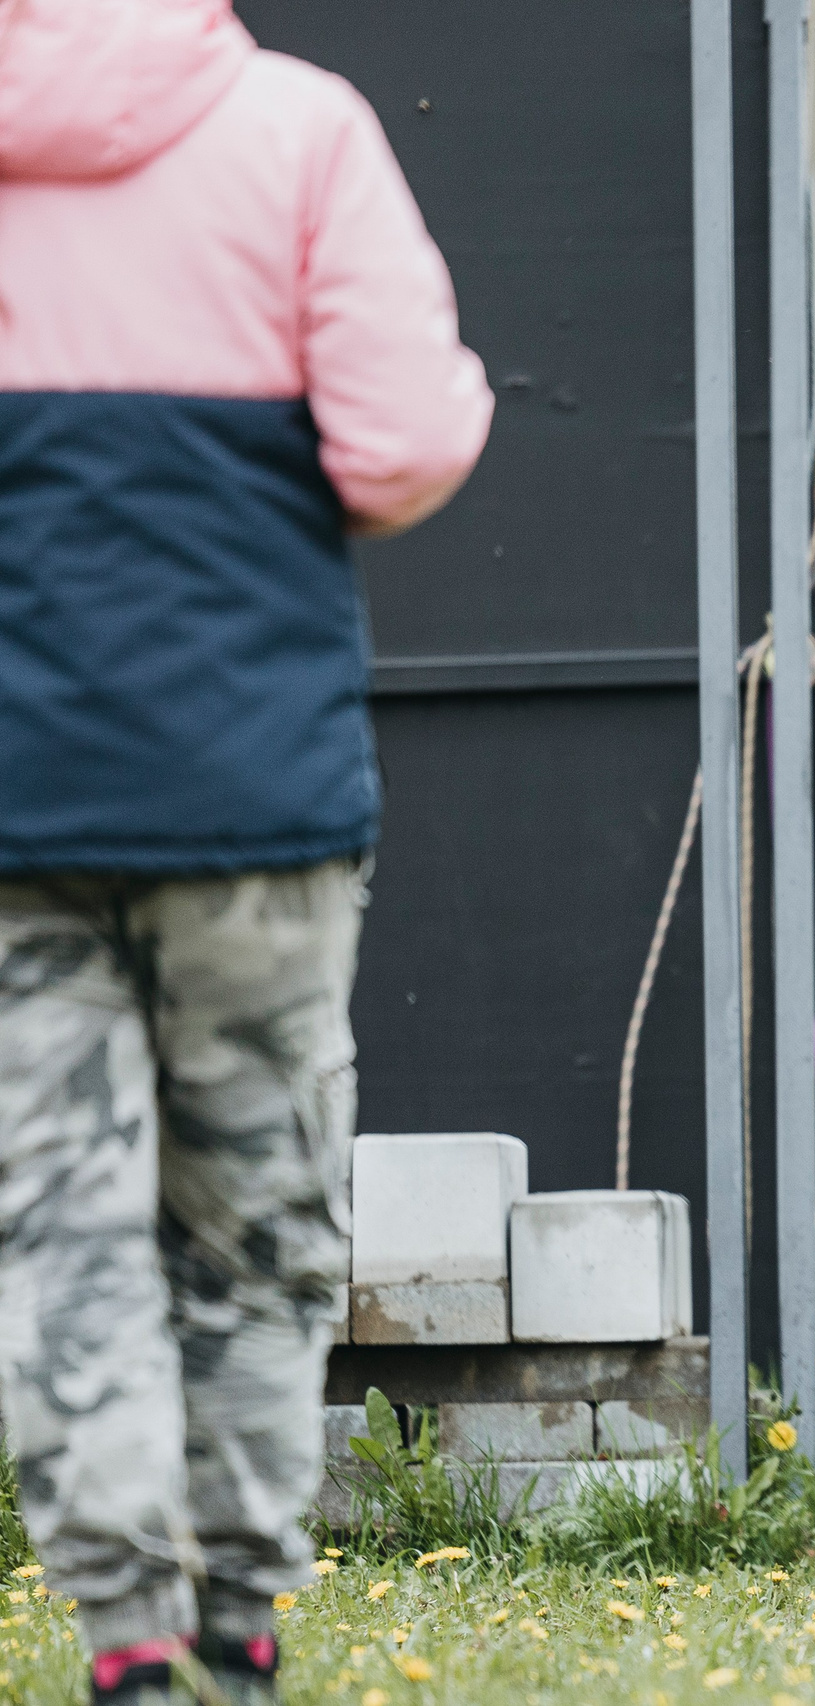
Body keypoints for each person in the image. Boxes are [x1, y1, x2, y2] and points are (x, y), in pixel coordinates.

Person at [0, 2, 492, 1700]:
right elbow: (403, 442)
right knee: (258, 1224)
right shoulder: (300, 129)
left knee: (55, 1223)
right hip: (249, 794)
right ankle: (244, 1615)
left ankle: (125, 1627)